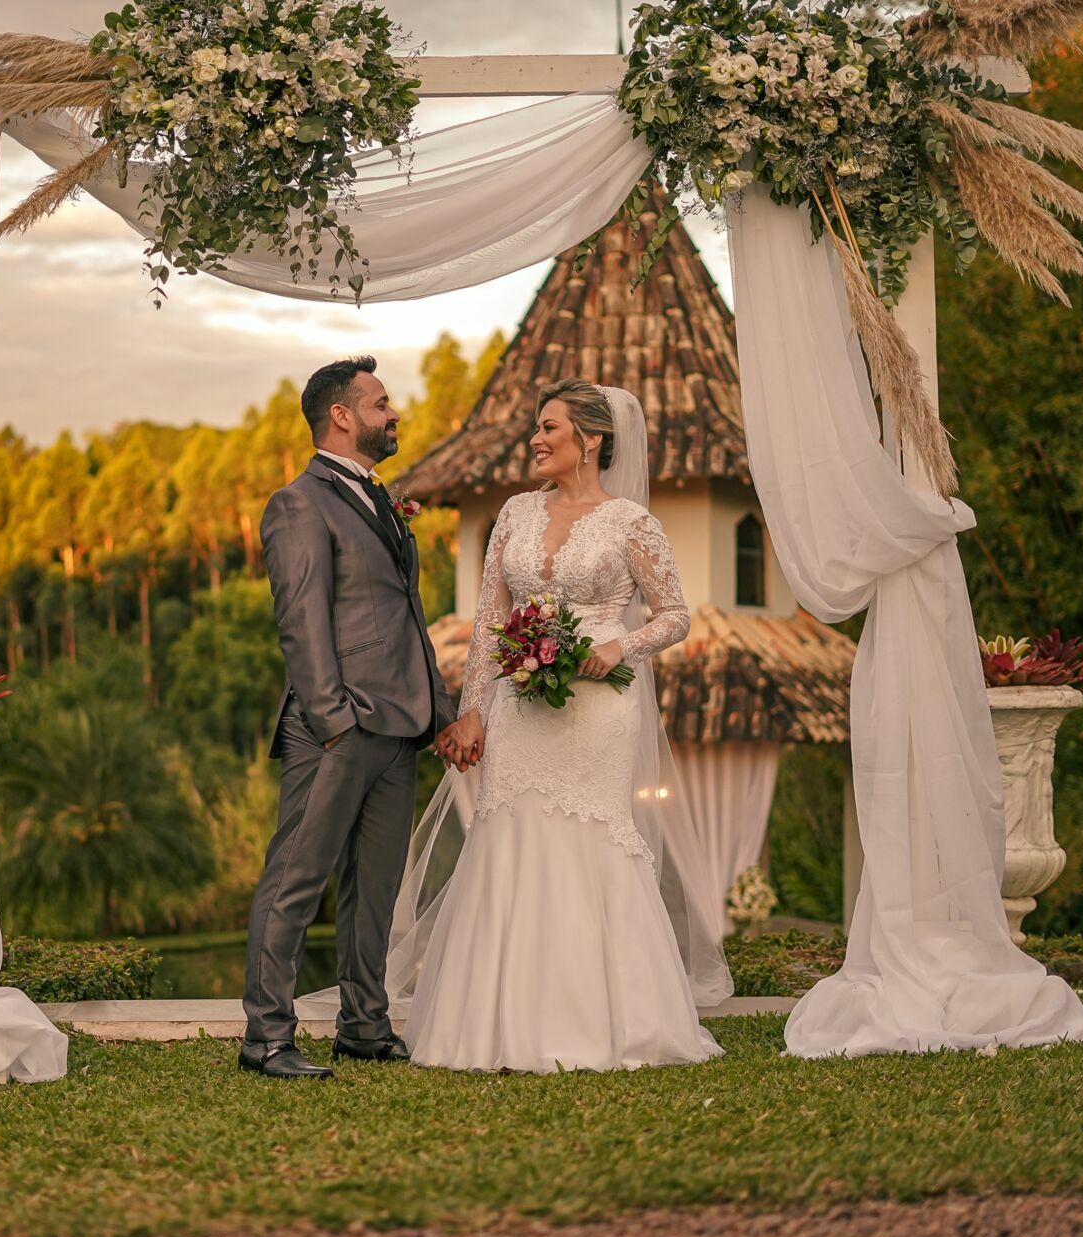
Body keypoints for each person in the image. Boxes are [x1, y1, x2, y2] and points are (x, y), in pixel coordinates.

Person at [399, 378, 729, 1073]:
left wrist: (621, 646)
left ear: (592, 439)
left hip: (599, 708)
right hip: (520, 705)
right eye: (537, 428)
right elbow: (490, 619)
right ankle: (493, 1026)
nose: (536, 440)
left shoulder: (631, 522)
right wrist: (472, 710)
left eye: (549, 427)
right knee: (510, 832)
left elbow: (675, 615)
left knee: (590, 838)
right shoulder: (515, 513)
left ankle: (605, 1023)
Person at [239, 356, 455, 1079]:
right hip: (337, 726)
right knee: (296, 882)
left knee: (376, 888)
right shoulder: (299, 504)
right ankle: (267, 1038)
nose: (393, 415)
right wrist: (333, 719)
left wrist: (438, 711)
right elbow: (300, 621)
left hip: (400, 724)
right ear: (342, 415)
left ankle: (364, 1025)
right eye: (381, 403)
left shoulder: (379, 500)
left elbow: (407, 617)